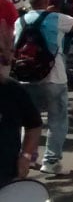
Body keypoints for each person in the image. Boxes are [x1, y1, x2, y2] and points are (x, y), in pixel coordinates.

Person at [15, 0, 73, 174]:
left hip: (26, 77)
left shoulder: (20, 21)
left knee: (30, 120)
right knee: (57, 120)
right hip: (54, 77)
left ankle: (29, 156)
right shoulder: (56, 18)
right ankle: (51, 161)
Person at [0, 19, 42, 188]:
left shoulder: (13, 90)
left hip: (6, 177)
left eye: (8, 53)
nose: (7, 59)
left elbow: (34, 125)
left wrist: (26, 156)